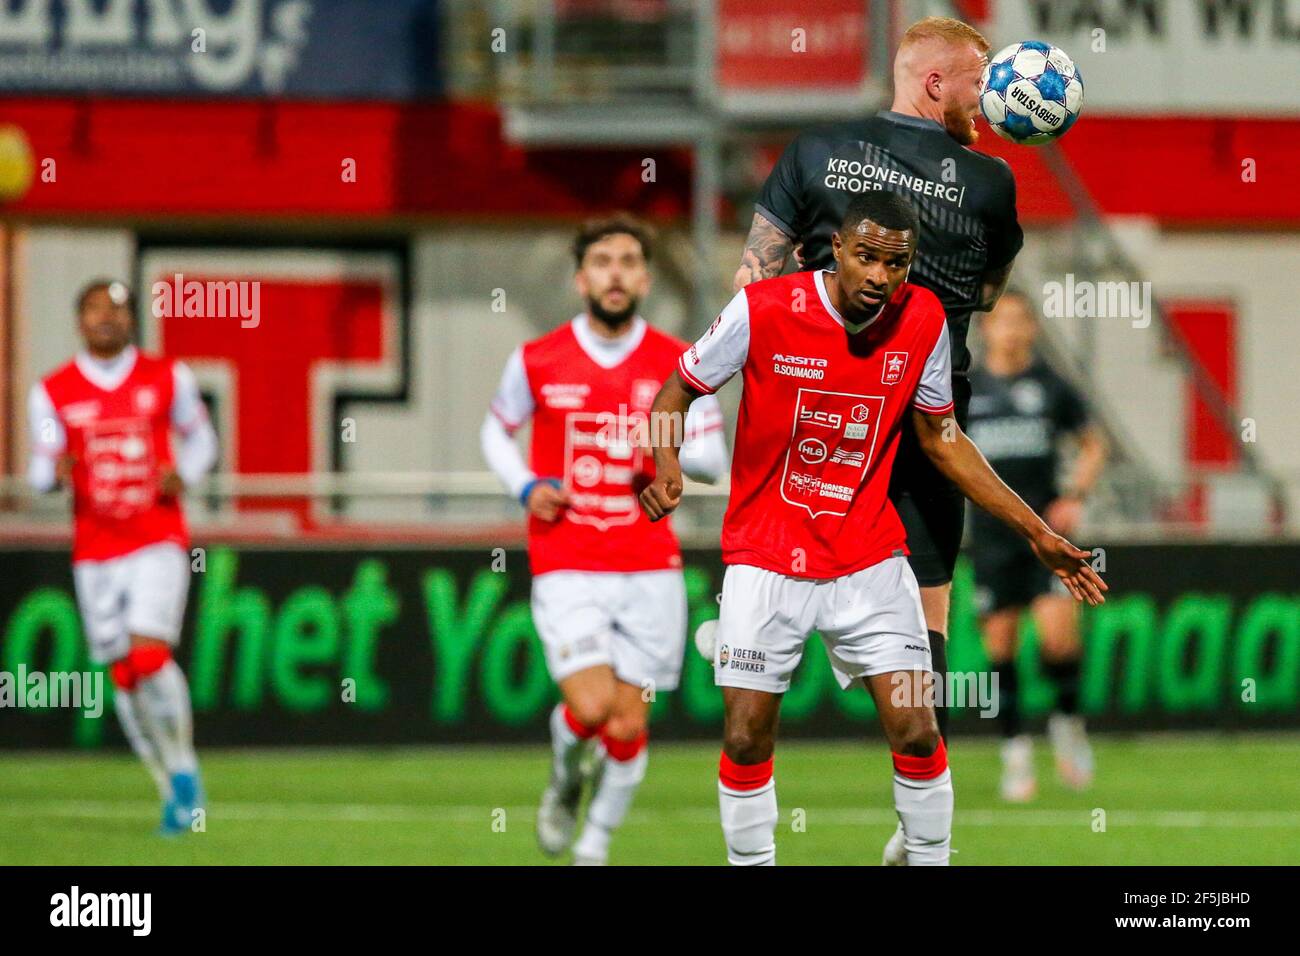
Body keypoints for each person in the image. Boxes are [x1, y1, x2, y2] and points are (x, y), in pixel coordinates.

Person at [641, 191, 1104, 866]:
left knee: (918, 727)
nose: (881, 277)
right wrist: (665, 462)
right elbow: (676, 388)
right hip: (767, 559)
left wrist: (1036, 530)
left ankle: (928, 858)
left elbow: (943, 439)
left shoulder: (922, 321)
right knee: (745, 736)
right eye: (867, 258)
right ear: (837, 250)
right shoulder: (764, 309)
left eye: (898, 264)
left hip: (868, 560)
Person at [734, 16, 1023, 749]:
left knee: (773, 611)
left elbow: (753, 287)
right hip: (928, 434)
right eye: (979, 81)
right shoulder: (991, 183)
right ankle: (924, 820)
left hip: (822, 424)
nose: (989, 101)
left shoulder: (816, 151)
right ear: (935, 83)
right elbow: (986, 295)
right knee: (927, 618)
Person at [481, 213, 729, 865]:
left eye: (626, 261)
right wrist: (526, 484)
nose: (614, 274)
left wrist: (665, 448)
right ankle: (565, 781)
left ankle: (593, 848)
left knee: (628, 725)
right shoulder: (539, 358)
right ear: (580, 277)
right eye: (602, 262)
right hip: (568, 557)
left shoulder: (680, 363)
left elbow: (712, 460)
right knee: (590, 709)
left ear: (644, 278)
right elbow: (494, 430)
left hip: (650, 566)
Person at [28, 279, 218, 834]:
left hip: (156, 536)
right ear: (78, 320)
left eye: (116, 308)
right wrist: (54, 474)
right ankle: (170, 789)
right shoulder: (54, 390)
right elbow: (40, 466)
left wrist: (186, 473)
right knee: (122, 673)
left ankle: (185, 769)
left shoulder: (167, 377)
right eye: (93, 308)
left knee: (148, 656)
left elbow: (203, 440)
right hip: (95, 549)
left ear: (132, 318)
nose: (105, 318)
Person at [967, 291, 1107, 800]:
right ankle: (1015, 755)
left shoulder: (1051, 386)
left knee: (1058, 639)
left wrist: (1075, 495)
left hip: (1047, 538)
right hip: (990, 538)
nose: (1013, 330)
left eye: (1022, 321)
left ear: (1032, 328)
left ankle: (1068, 726)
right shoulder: (968, 389)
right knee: (1001, 645)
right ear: (986, 329)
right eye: (1003, 321)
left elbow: (1094, 442)